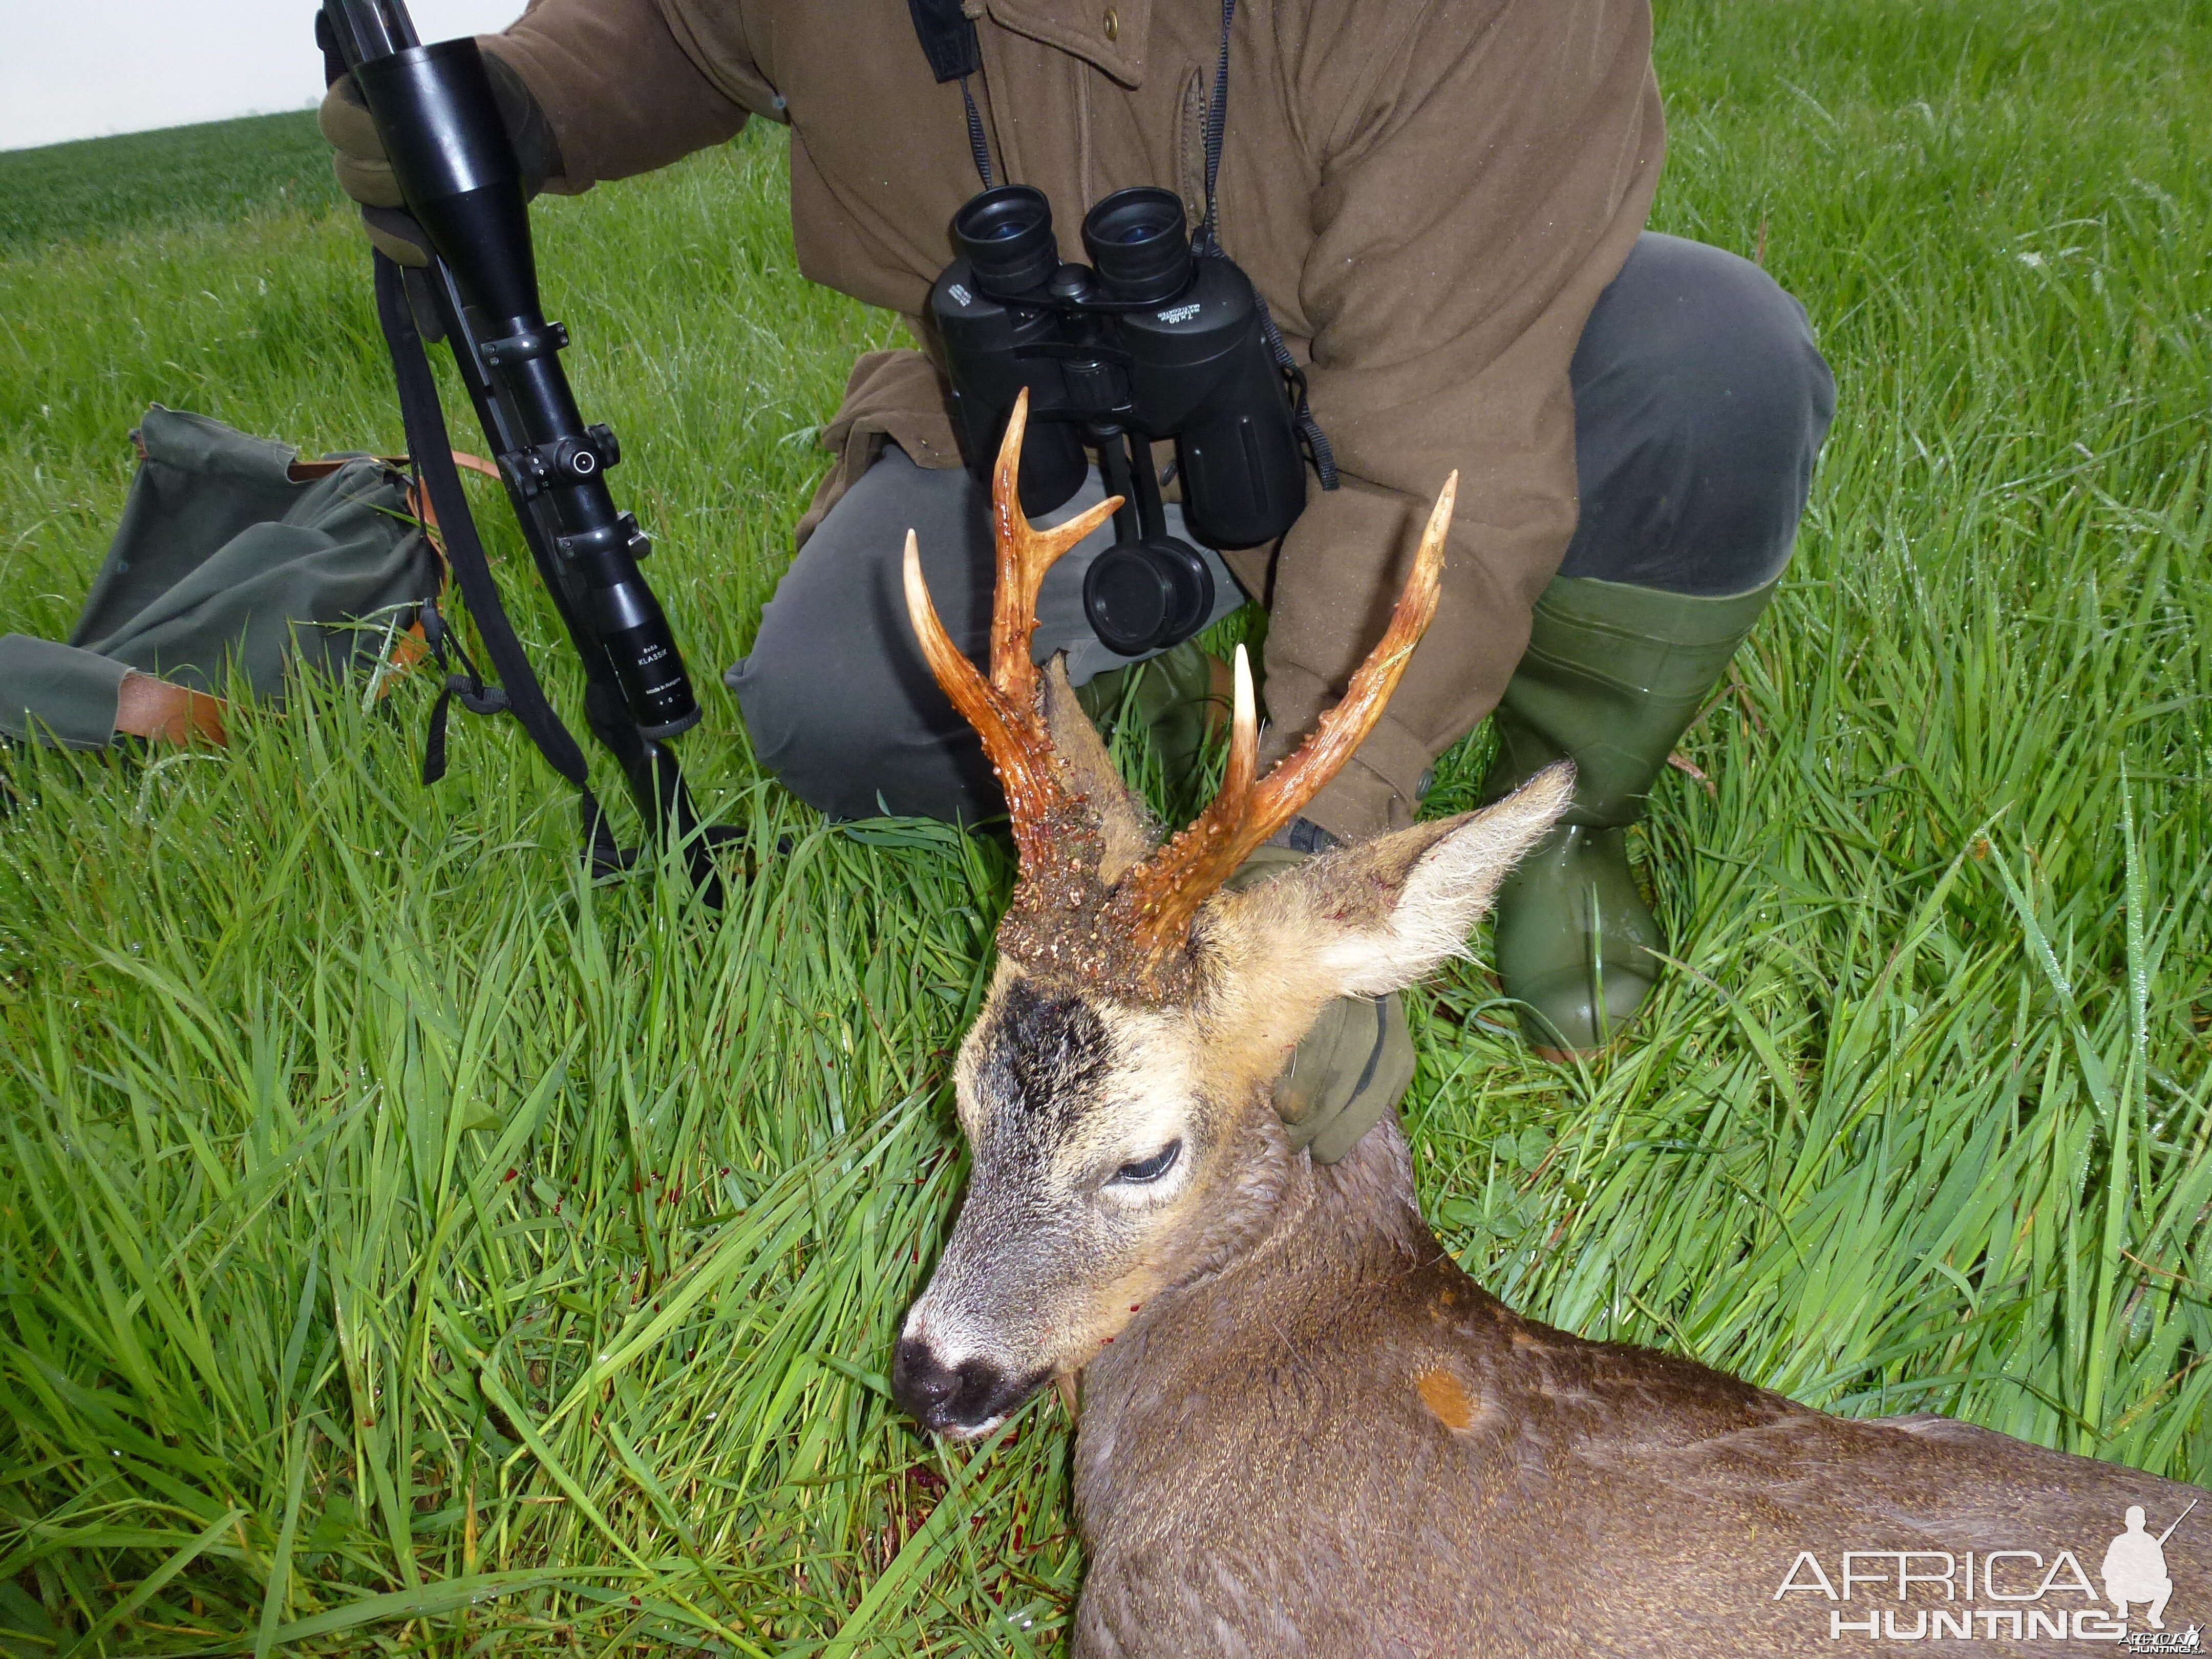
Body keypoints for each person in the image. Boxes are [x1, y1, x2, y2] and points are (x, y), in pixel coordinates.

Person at [322, 0, 1833, 1156]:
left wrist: (1299, 887)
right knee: (843, 701)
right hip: (1026, 419)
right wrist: (520, 105)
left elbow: (1444, 461)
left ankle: (1573, 806)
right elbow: (681, 25)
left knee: (1709, 375)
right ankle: (1187, 676)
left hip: (1407, 371)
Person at [2104, 1505, 2177, 1628]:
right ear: (2127, 1522)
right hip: (2123, 1588)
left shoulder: (2151, 1542)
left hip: (2145, 1589)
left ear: (2144, 1522)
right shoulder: (2119, 1541)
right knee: (2111, 1582)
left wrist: (2146, 1569)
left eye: (2138, 1520)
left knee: (2167, 1584)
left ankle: (2154, 1616)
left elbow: (2162, 1571)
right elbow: (2107, 1569)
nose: (2135, 1523)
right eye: (2133, 1520)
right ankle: (2122, 1606)